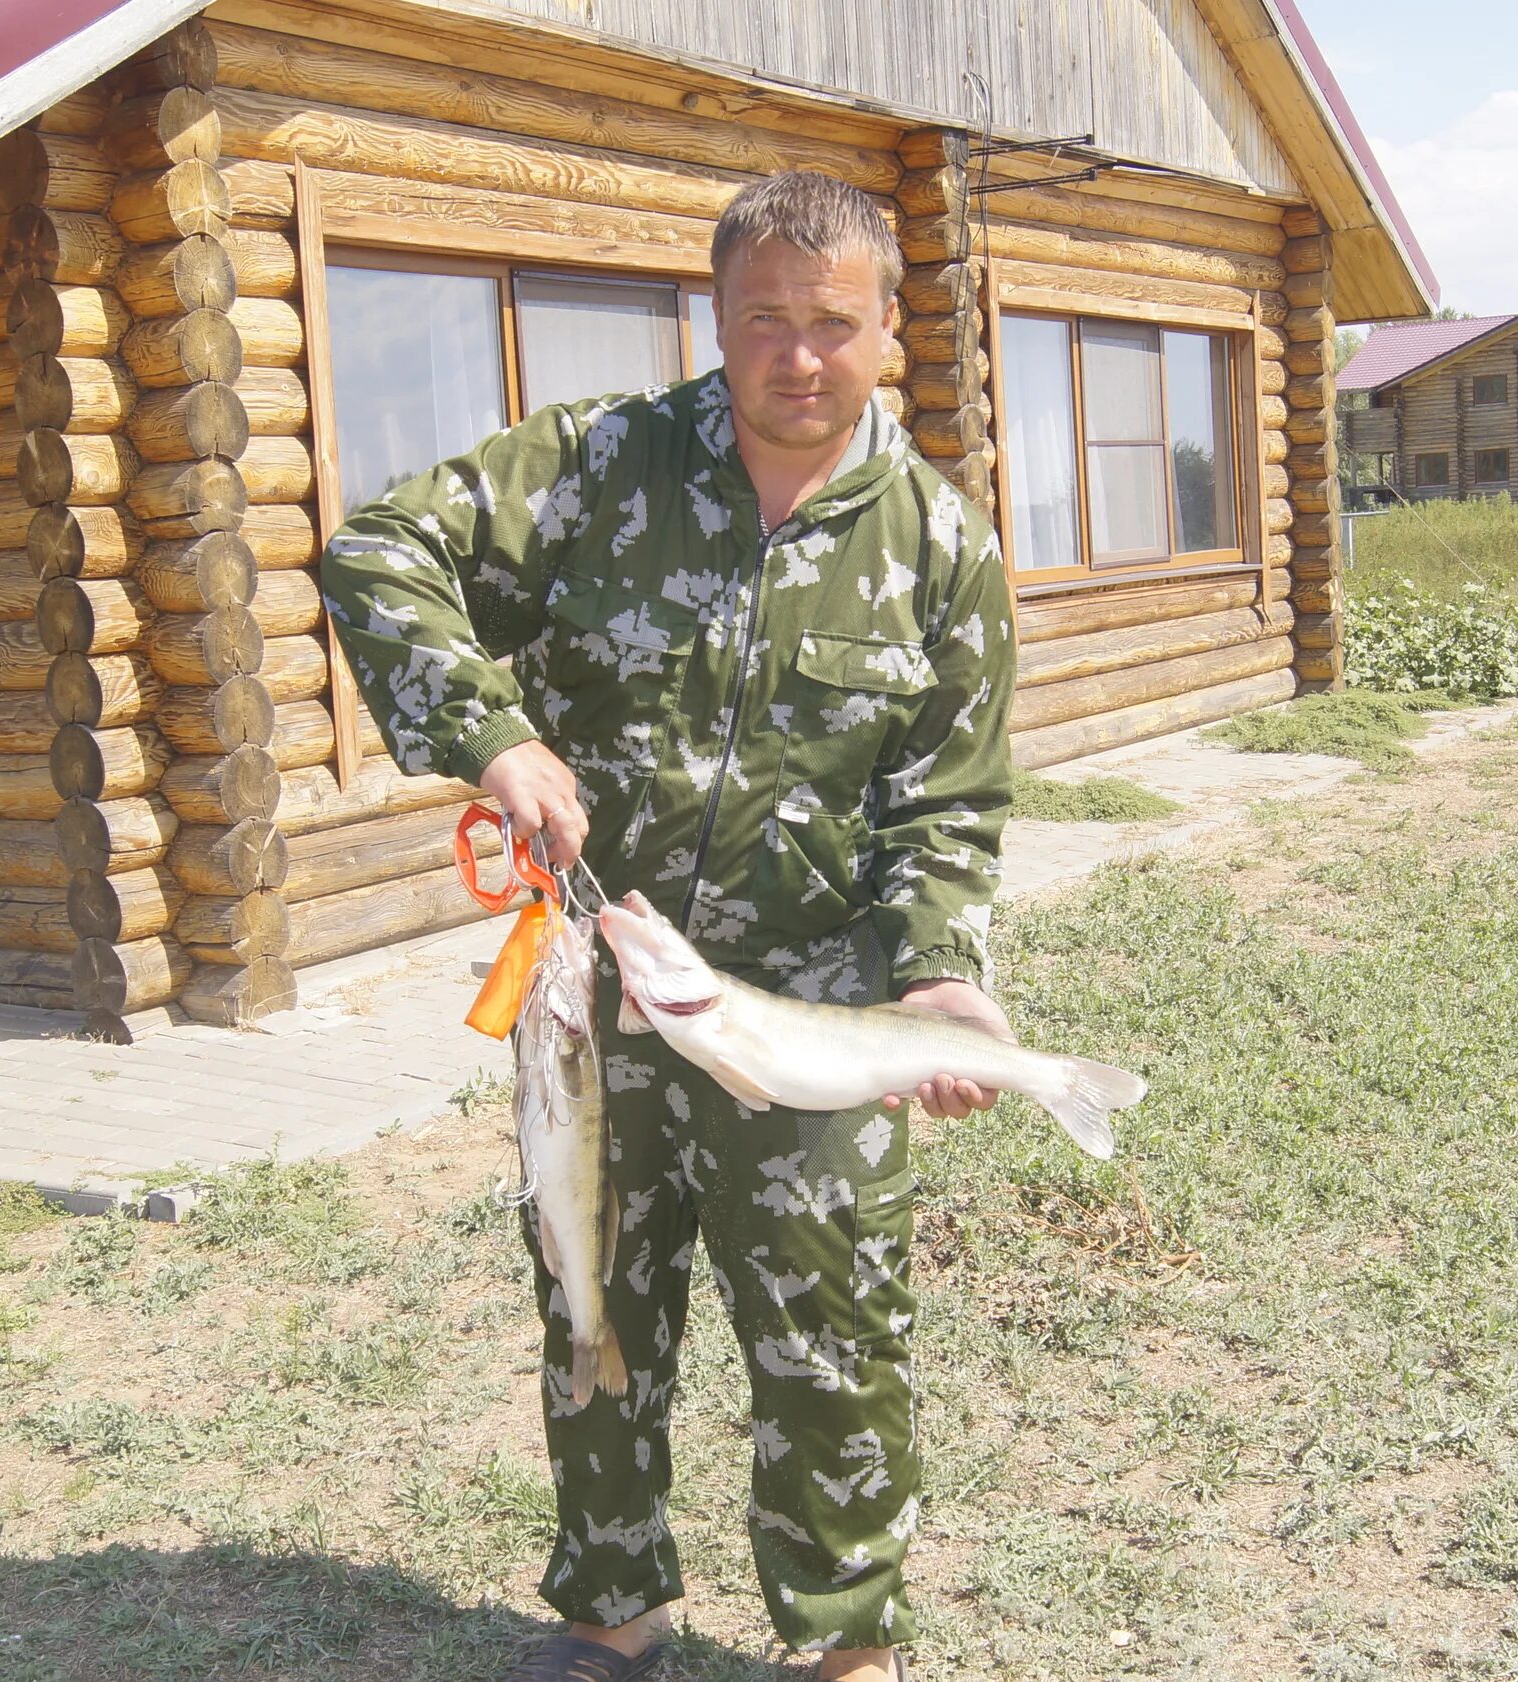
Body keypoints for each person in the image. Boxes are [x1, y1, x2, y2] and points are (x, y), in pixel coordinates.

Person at [320, 170, 1015, 1682]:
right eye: (765, 318)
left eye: (834, 323)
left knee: (835, 1336)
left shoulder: (943, 547)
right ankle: (611, 1608)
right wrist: (495, 737)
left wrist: (943, 975)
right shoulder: (598, 470)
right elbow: (380, 553)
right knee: (594, 1295)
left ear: (891, 327)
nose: (798, 356)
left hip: (809, 1011)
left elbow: (948, 805)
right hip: (601, 989)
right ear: (719, 312)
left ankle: (845, 1643)